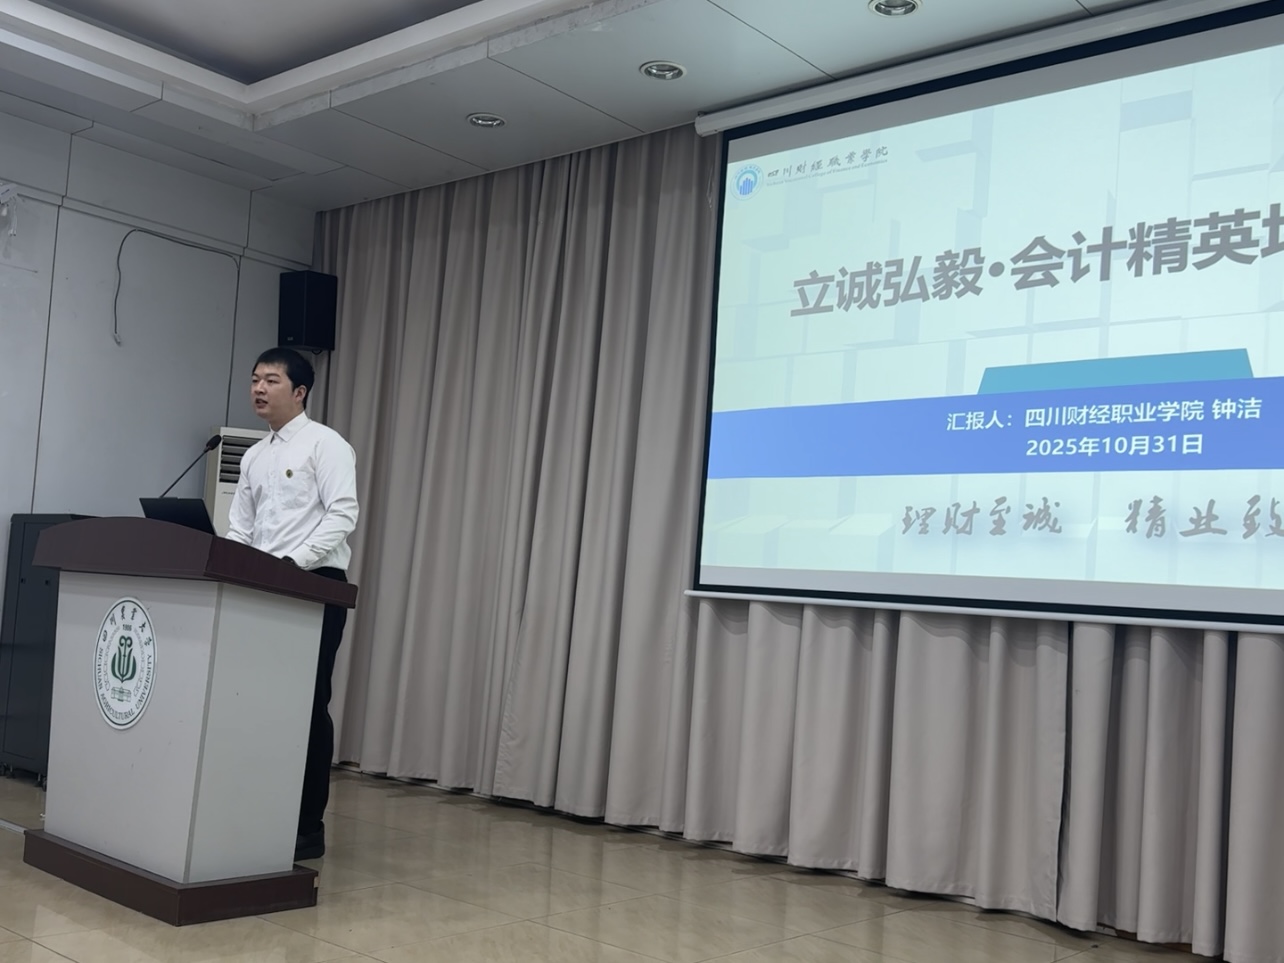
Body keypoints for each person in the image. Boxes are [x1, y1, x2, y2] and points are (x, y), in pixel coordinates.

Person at [225, 347, 358, 862]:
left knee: (306, 705)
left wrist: (292, 563)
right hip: (262, 587)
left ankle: (307, 825)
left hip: (315, 586)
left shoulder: (327, 445)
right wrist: (231, 564)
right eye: (254, 379)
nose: (259, 388)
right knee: (258, 703)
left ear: (299, 392)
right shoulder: (254, 456)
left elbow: (342, 514)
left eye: (271, 380)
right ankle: (259, 810)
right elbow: (241, 527)